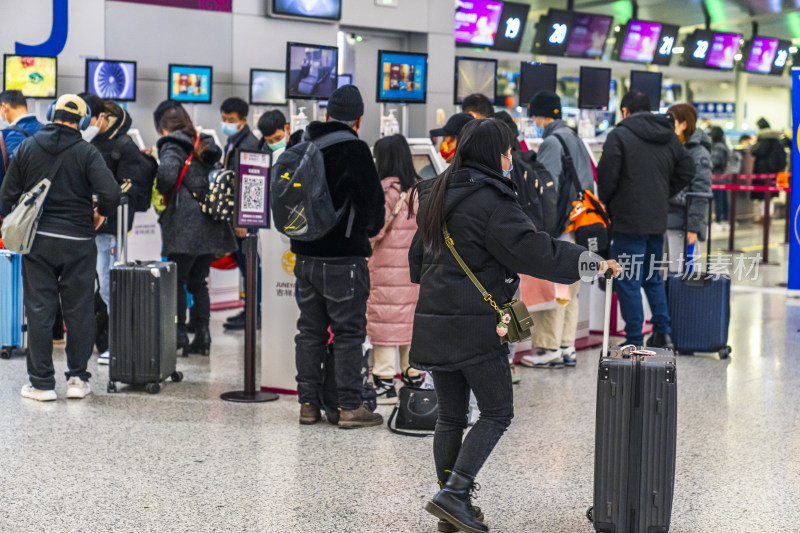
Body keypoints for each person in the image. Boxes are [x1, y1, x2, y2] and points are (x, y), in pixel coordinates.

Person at [410, 118, 620, 532]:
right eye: (507, 151)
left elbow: (418, 264)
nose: (511, 158)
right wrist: (591, 262)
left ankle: (452, 505)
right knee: (497, 412)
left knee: (451, 417)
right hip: (477, 325)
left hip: (434, 319)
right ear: (494, 154)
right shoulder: (492, 201)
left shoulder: (434, 193)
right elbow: (535, 250)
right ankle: (454, 494)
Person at [0, 94, 120, 401]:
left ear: (51, 113)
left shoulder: (27, 147)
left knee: (40, 310)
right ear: (81, 121)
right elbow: (111, 193)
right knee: (79, 311)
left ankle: (41, 384)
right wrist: (100, 213)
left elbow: (5, 196)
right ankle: (78, 379)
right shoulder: (87, 152)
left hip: (38, 240)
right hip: (79, 242)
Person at [292, 85, 386, 428]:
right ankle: (349, 407)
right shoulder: (356, 150)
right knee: (347, 332)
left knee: (309, 331)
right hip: (344, 259)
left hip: (303, 256)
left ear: (327, 114)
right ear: (358, 120)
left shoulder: (300, 142)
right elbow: (374, 209)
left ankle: (307, 404)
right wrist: (362, 231)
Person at [596, 91, 694, 349]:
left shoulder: (619, 135)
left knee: (627, 280)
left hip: (628, 220)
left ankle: (634, 339)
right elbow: (688, 168)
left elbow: (606, 178)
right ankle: (663, 333)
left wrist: (610, 201)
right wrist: (664, 192)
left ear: (625, 111)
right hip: (656, 220)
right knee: (651, 277)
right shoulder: (669, 136)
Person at [78, 93, 158, 364]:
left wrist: (102, 205)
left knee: (110, 285)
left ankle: (119, 343)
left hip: (111, 227)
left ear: (106, 118)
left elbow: (128, 186)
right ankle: (105, 340)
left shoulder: (124, 146)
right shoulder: (94, 143)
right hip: (92, 227)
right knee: (98, 285)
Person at [154, 101, 237, 356]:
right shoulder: (206, 141)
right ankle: (203, 335)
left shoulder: (173, 145)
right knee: (198, 281)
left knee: (177, 281)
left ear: (162, 126)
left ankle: (179, 336)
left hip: (184, 228)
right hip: (211, 225)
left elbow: (167, 177)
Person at [521, 90, 595, 369]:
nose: (535, 124)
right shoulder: (575, 137)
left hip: (560, 225)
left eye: (535, 118)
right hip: (578, 222)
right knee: (570, 289)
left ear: (540, 116)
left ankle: (550, 347)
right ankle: (567, 346)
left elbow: (546, 189)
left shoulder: (552, 142)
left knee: (555, 287)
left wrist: (543, 228)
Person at [367, 134, 421, 403]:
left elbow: (374, 230)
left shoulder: (387, 189)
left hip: (387, 271)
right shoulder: (421, 188)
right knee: (410, 323)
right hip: (413, 272)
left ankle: (385, 382)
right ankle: (412, 378)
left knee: (385, 323)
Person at [219, 97, 261, 331]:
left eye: (231, 120)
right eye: (224, 119)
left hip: (244, 217)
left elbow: (249, 183)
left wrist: (243, 219)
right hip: (235, 214)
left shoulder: (249, 145)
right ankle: (250, 310)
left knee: (250, 266)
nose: (226, 123)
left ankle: (254, 313)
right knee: (244, 265)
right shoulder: (233, 139)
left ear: (244, 120)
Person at [664, 103, 712, 273]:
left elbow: (701, 192)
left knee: (683, 275)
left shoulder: (698, 153)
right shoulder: (674, 147)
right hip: (667, 220)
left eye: (672, 120)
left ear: (684, 124)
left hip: (683, 224)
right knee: (667, 275)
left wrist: (693, 227)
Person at [0, 90, 44, 187]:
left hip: (21, 197)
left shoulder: (9, 135)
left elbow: (15, 173)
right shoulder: (45, 129)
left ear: (4, 107)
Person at [750, 117, 786, 222]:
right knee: (770, 196)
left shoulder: (763, 140)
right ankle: (768, 216)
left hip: (763, 172)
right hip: (775, 173)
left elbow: (756, 151)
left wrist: (754, 144)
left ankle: (764, 217)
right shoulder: (778, 141)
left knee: (762, 195)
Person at [709, 126, 730, 231]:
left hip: (716, 177)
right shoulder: (724, 145)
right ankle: (725, 219)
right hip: (722, 176)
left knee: (719, 200)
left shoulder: (718, 146)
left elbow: (715, 161)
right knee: (723, 199)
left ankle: (718, 220)